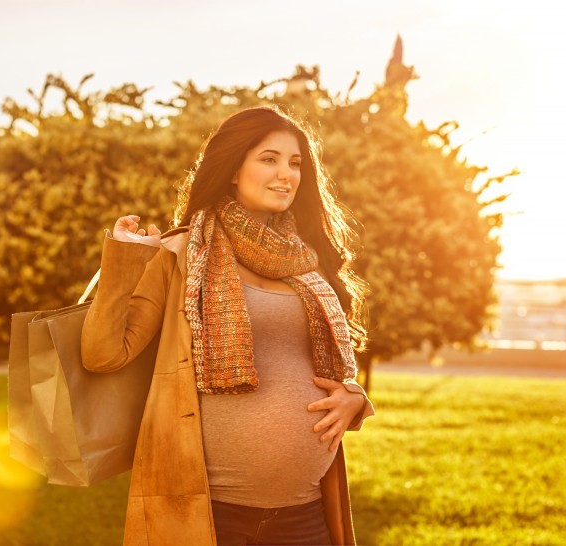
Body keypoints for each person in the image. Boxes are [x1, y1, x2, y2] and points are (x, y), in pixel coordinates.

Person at [81, 105, 375, 546]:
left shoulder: (307, 261)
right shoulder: (180, 254)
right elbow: (103, 354)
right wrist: (124, 259)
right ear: (234, 169)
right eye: (268, 158)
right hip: (209, 517)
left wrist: (355, 398)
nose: (286, 174)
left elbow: (327, 370)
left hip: (306, 513)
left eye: (295, 163)